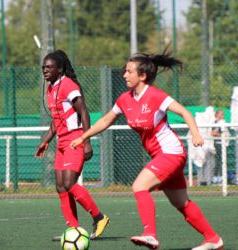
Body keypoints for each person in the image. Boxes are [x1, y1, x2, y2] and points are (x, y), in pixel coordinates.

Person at [70, 51, 223, 250]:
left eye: (129, 71)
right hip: (161, 156)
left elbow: (185, 112)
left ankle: (150, 234)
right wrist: (83, 136)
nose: (125, 75)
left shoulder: (155, 96)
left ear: (142, 76)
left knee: (139, 186)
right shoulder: (125, 99)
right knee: (181, 203)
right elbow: (106, 120)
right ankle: (213, 239)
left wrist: (196, 134)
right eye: (125, 71)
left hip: (172, 152)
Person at [34, 50, 109, 240]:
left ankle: (99, 217)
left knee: (69, 183)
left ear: (60, 69)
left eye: (49, 67)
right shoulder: (50, 89)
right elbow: (56, 120)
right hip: (61, 141)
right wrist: (46, 141)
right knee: (60, 187)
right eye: (43, 67)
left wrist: (86, 141)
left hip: (75, 140)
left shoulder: (68, 85)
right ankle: (73, 229)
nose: (45, 70)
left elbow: (84, 112)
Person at [210, 109, 226, 184]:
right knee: (217, 161)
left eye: (223, 114)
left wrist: (219, 134)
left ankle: (221, 177)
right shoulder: (214, 122)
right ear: (217, 115)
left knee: (222, 161)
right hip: (216, 143)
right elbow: (212, 133)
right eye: (221, 114)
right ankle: (216, 177)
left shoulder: (223, 122)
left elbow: (224, 133)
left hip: (222, 143)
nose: (222, 116)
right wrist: (219, 134)